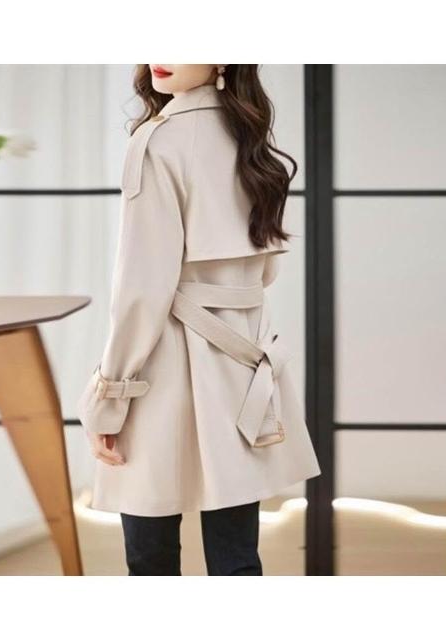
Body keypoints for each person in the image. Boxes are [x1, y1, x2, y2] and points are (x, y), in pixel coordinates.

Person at [77, 64, 321, 576]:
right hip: (238, 368)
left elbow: (141, 289)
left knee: (151, 556)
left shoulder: (157, 141)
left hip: (159, 371)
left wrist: (110, 395)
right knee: (237, 557)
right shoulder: (249, 137)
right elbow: (263, 273)